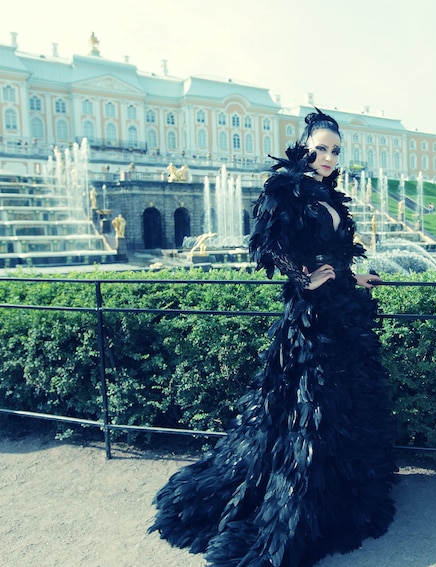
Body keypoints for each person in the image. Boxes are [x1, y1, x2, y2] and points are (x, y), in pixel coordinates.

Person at [149, 108, 397, 566]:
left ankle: (337, 495)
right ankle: (295, 509)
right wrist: (304, 280)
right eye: (320, 147)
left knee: (341, 405)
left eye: (335, 150)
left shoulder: (325, 193)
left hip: (343, 312)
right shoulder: (286, 189)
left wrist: (351, 278)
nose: (327, 156)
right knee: (310, 406)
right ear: (303, 147)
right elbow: (265, 244)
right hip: (311, 320)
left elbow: (329, 255)